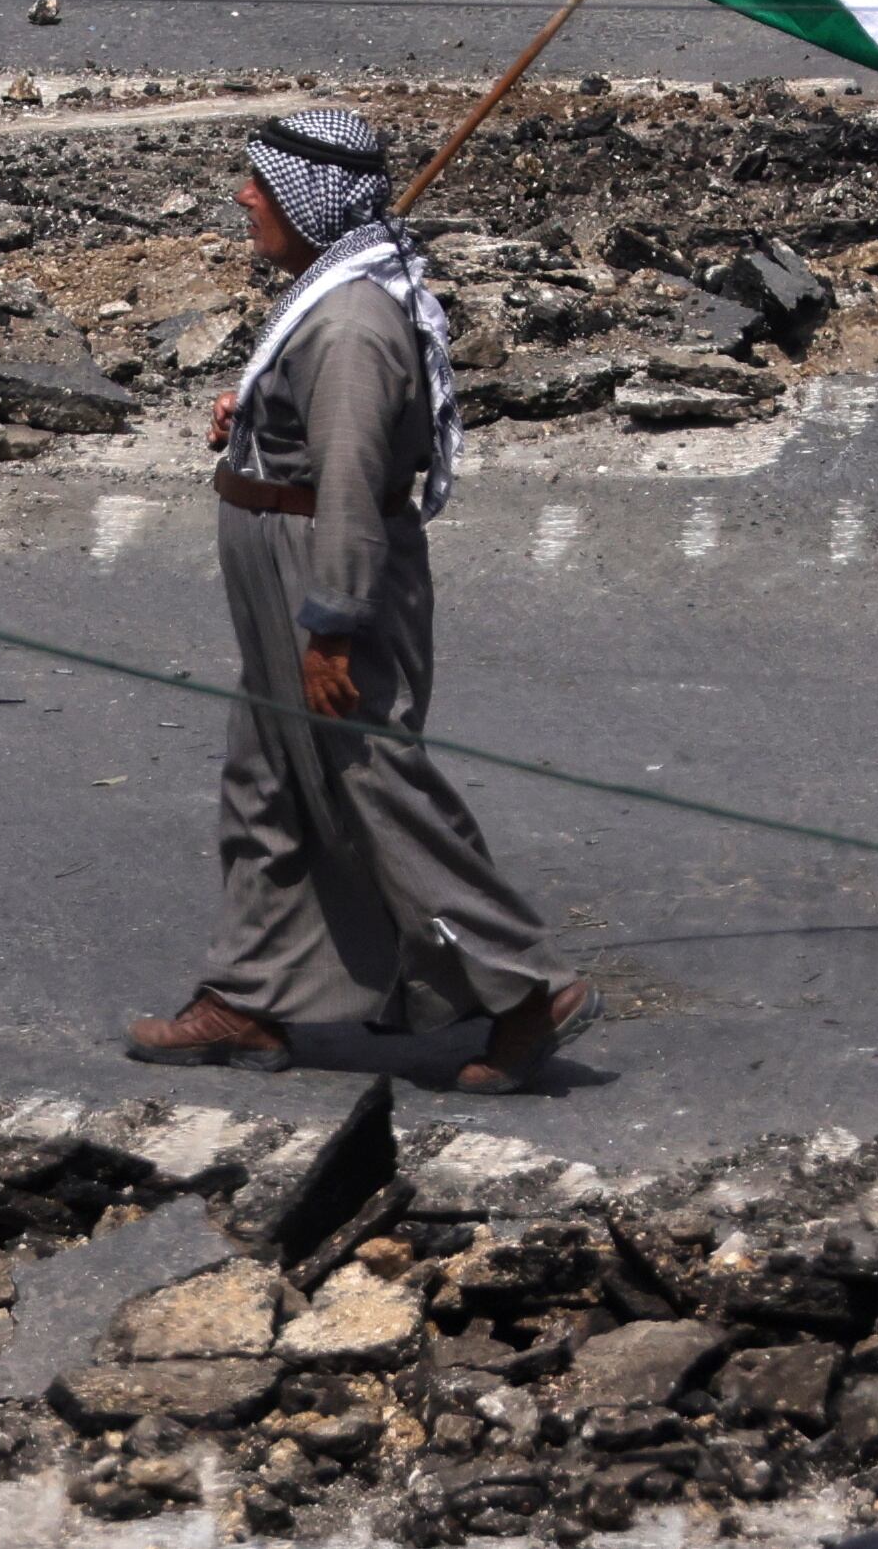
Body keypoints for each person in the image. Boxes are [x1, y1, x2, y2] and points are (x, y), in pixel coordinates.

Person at [126, 107, 592, 1095]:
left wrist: (331, 627)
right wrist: (253, 410)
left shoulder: (348, 322)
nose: (244, 197)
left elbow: (348, 481)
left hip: (322, 578)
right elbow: (312, 420)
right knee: (266, 782)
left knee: (372, 785)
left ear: (305, 197)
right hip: (281, 572)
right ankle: (246, 998)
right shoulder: (328, 292)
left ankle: (525, 985)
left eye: (260, 182)